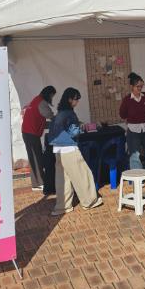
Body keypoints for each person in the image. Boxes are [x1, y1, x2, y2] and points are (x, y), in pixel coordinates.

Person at [47, 88, 102, 216]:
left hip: (57, 150)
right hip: (69, 149)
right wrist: (81, 127)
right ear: (70, 99)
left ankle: (62, 206)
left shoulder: (59, 113)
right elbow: (73, 132)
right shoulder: (70, 114)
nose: (77, 102)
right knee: (83, 175)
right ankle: (89, 201)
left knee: (62, 181)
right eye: (76, 99)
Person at [119, 72, 145, 186]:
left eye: (141, 86)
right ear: (132, 87)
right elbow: (122, 114)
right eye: (137, 87)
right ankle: (139, 179)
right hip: (133, 130)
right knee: (135, 156)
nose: (140, 89)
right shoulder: (127, 100)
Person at [21, 86, 56, 191]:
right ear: (49, 94)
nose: (52, 98)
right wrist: (59, 121)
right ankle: (39, 183)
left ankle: (38, 182)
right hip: (30, 132)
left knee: (35, 157)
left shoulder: (36, 99)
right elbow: (50, 116)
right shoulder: (42, 103)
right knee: (36, 157)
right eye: (52, 96)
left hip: (28, 131)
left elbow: (40, 118)